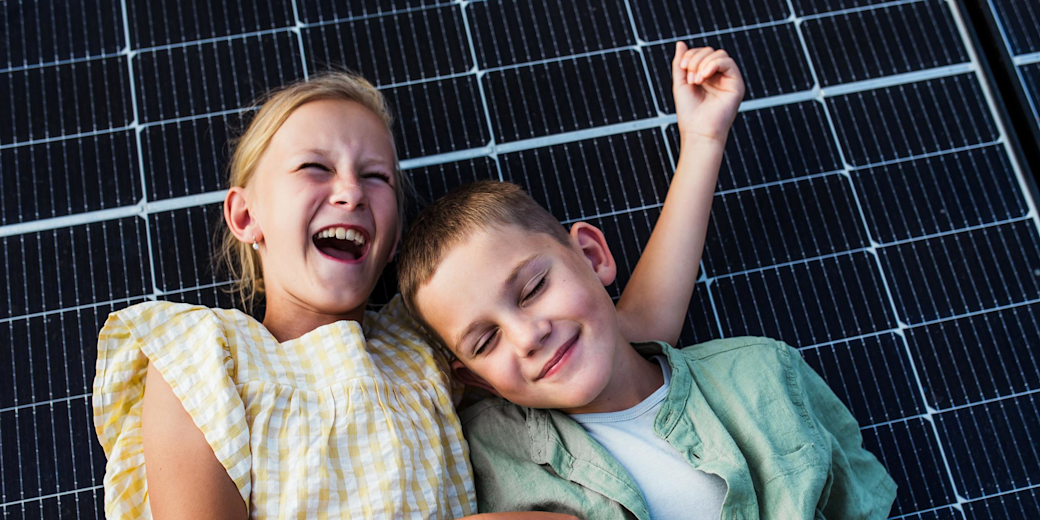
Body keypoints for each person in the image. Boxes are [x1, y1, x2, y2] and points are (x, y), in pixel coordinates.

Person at [91, 43, 723, 518]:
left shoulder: (423, 349)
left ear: (391, 237)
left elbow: (632, 330)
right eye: (315, 167)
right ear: (246, 214)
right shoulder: (202, 355)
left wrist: (702, 141)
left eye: (378, 178)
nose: (350, 192)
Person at [396, 47, 898, 519]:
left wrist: (703, 139)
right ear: (479, 380)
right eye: (486, 341)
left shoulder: (764, 375)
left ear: (592, 256)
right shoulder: (485, 456)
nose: (529, 336)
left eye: (532, 290)